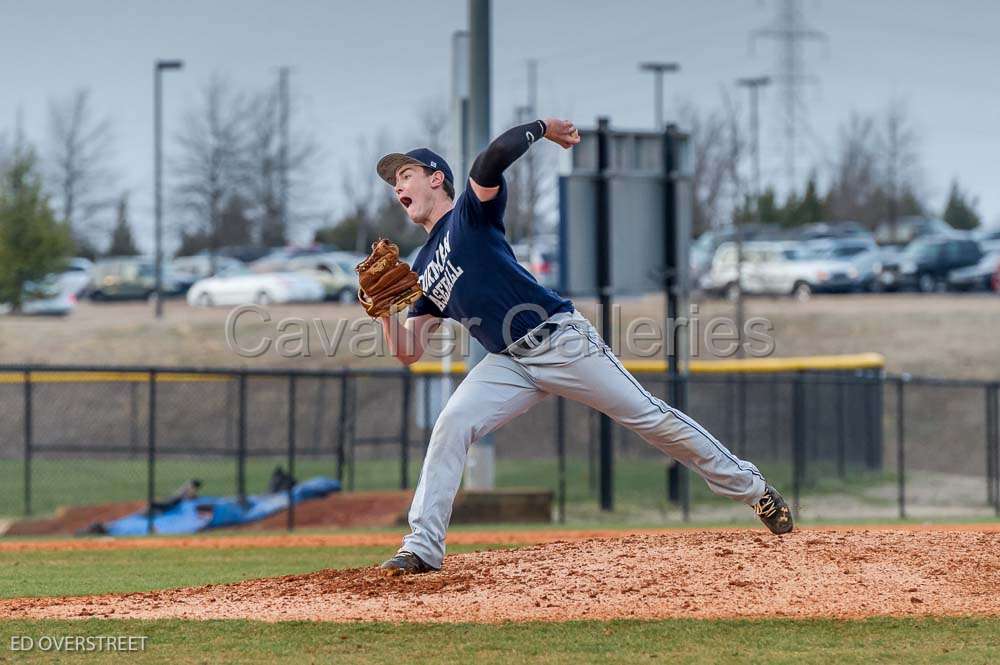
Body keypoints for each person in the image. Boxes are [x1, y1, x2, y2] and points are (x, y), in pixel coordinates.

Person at [374, 117, 792, 575]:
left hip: (560, 340)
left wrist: (542, 127)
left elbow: (490, 159)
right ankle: (422, 548)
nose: (398, 187)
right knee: (451, 425)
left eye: (405, 175)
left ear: (437, 178)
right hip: (509, 363)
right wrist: (383, 314)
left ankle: (752, 489)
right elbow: (409, 351)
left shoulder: (469, 215)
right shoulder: (422, 265)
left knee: (649, 418)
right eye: (394, 182)